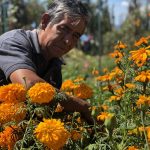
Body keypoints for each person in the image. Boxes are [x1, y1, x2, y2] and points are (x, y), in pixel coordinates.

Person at [0, 0, 93, 124]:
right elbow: (30, 84)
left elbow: (47, 106)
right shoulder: (13, 42)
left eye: (75, 36)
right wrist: (80, 105)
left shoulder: (54, 64)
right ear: (45, 21)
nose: (68, 41)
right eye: (64, 28)